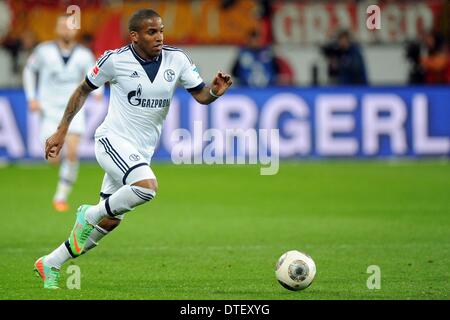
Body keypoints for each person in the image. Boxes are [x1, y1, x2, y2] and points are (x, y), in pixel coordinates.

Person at [33, 9, 233, 289]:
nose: (159, 37)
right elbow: (82, 90)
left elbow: (200, 95)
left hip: (139, 151)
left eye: (161, 30)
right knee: (146, 187)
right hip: (111, 140)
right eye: (152, 32)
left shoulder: (178, 59)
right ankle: (87, 214)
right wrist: (62, 130)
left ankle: (50, 262)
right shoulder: (115, 60)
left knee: (109, 222)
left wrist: (213, 92)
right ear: (135, 36)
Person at [23, 16, 103, 212]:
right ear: (57, 29)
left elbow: (95, 74)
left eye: (70, 28)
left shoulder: (84, 54)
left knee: (73, 152)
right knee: (53, 158)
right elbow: (28, 71)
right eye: (63, 27)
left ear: (75, 31)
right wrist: (31, 97)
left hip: (73, 109)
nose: (67, 31)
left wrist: (99, 93)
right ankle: (61, 182)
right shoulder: (43, 51)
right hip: (49, 110)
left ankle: (61, 196)